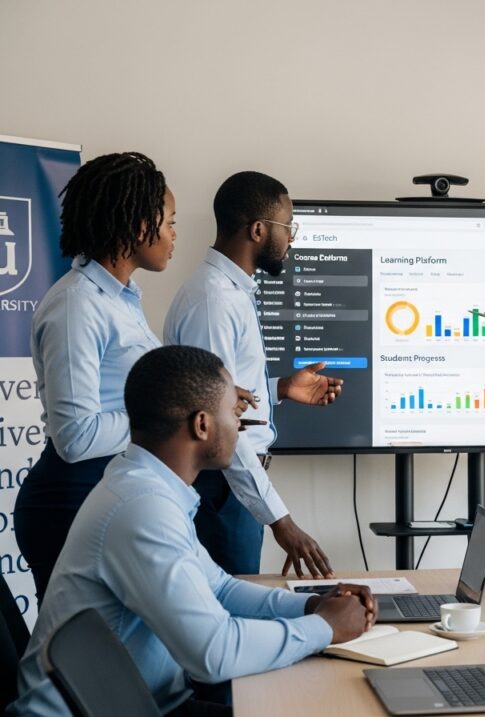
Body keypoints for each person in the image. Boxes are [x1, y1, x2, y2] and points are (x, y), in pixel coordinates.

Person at [8, 346, 376, 717]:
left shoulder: (150, 488)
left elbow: (220, 588)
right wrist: (323, 627)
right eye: (235, 414)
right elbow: (213, 655)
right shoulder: (143, 506)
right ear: (202, 425)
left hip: (139, 702)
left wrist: (313, 605)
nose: (240, 428)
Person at [13, 151, 176, 602]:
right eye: (170, 222)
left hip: (105, 494)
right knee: (81, 662)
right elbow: (76, 437)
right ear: (138, 225)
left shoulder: (120, 299)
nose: (173, 235)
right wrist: (169, 415)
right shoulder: (77, 305)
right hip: (68, 502)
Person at [164, 171, 340, 577]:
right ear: (259, 230)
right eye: (288, 226)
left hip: (232, 488)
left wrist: (277, 388)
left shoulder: (229, 293)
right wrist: (282, 521)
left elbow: (222, 394)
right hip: (222, 487)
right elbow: (216, 422)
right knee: (227, 616)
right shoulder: (214, 302)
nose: (292, 238)